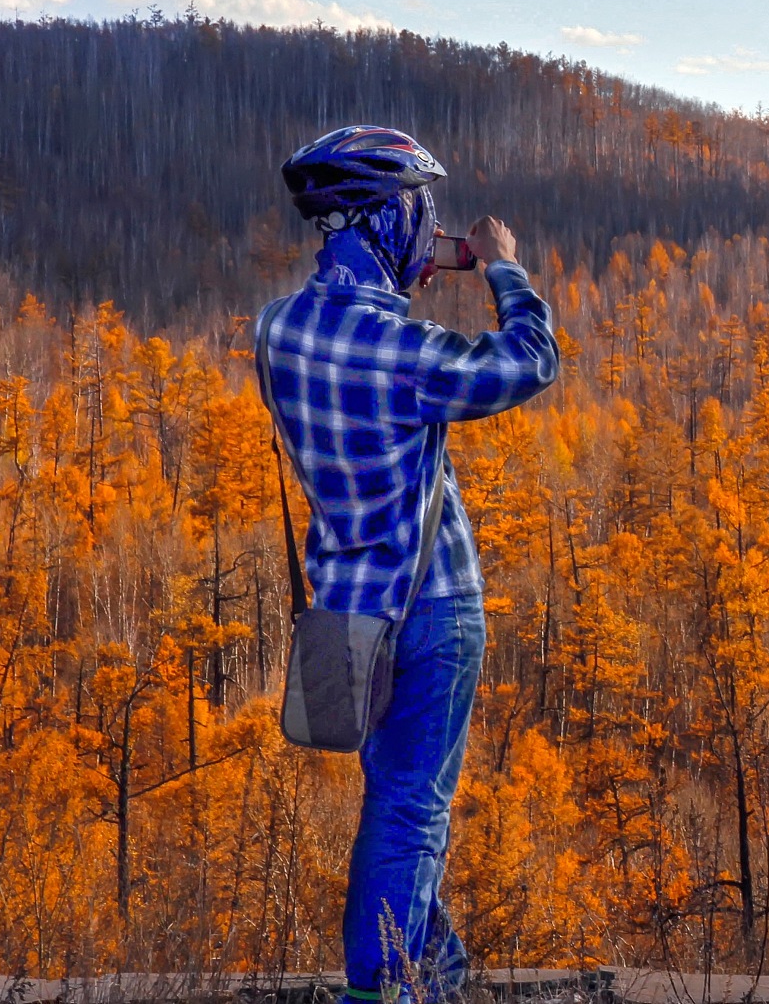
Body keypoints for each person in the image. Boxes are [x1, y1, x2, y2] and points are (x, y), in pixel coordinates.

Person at [257, 125, 559, 1002]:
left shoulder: (279, 330)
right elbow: (530, 360)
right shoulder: (398, 351)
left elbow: (355, 347)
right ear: (388, 219)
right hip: (432, 607)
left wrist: (407, 274)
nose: (426, 227)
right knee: (410, 814)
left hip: (351, 610)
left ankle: (436, 976)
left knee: (394, 801)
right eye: (416, 212)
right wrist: (503, 268)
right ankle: (381, 989)